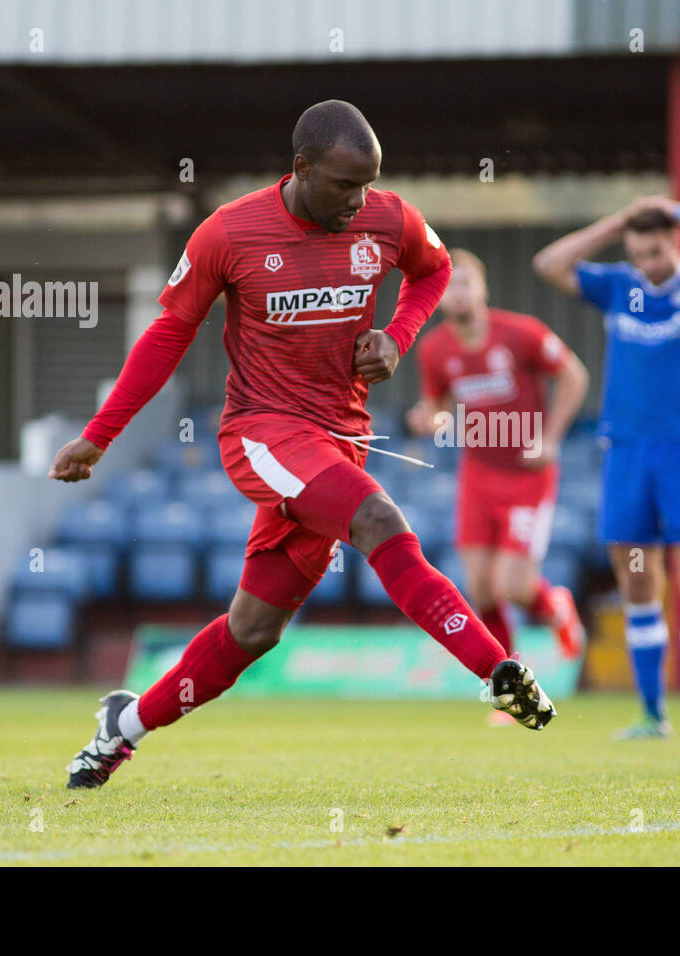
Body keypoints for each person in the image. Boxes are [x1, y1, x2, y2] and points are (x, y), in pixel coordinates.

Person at [51, 100, 555, 790]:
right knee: (380, 520)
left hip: (337, 444)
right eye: (345, 185)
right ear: (302, 168)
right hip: (261, 433)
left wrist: (397, 337)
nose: (360, 200)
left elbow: (432, 272)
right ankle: (496, 670)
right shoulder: (228, 234)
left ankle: (122, 727)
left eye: (369, 184)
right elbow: (168, 334)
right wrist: (98, 436)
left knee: (253, 631)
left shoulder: (387, 217)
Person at [533, 195, 680, 740]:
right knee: (637, 583)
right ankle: (653, 715)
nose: (647, 265)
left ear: (674, 241)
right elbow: (549, 265)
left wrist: (672, 209)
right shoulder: (618, 286)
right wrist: (615, 223)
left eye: (655, 252)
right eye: (638, 254)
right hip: (626, 452)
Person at [407, 248, 590, 728]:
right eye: (450, 286)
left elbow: (574, 375)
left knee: (514, 585)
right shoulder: (436, 349)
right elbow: (438, 407)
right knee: (481, 588)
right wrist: (429, 419)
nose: (458, 293)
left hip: (528, 478)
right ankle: (515, 689)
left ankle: (556, 608)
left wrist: (550, 438)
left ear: (483, 290)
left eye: (466, 283)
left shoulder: (522, 333)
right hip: (477, 476)